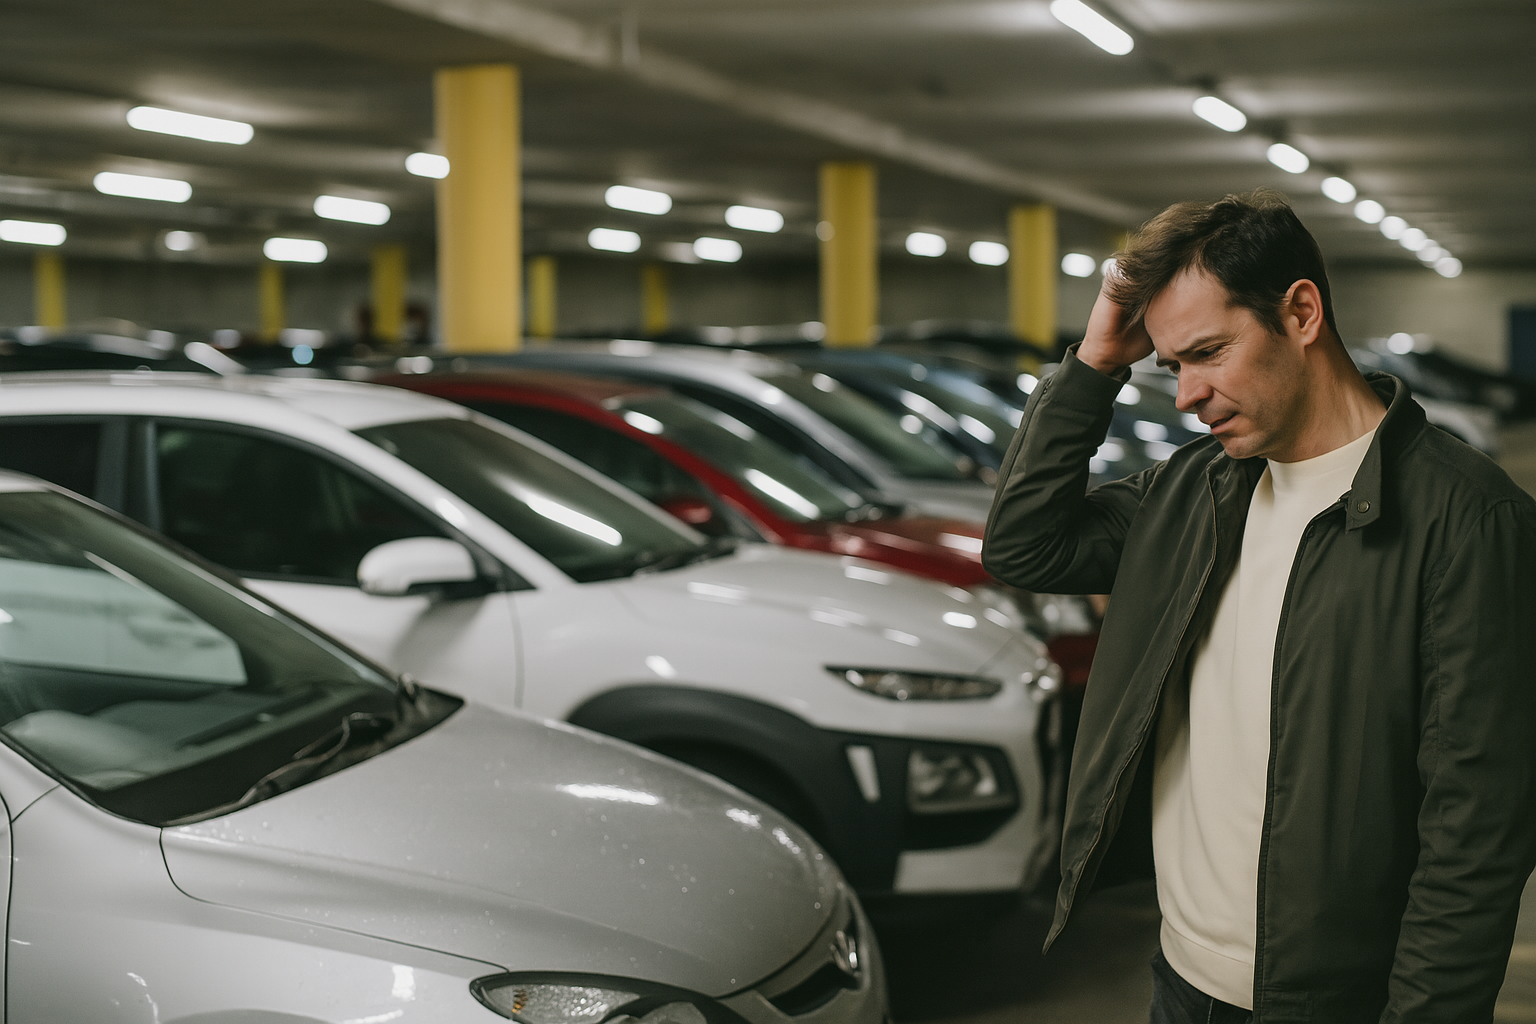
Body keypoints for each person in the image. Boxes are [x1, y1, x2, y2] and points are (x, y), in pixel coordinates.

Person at [983, 190, 1536, 1023]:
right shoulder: (1194, 489)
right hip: (1178, 977)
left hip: (1334, 1001)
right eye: (1171, 366)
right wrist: (1095, 361)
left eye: (1208, 352)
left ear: (1302, 312)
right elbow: (1024, 544)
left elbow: (1476, 836)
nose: (1185, 396)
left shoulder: (1467, 518)